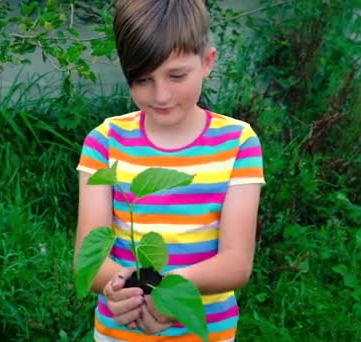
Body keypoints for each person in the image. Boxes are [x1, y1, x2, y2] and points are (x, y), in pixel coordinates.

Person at [74, 0, 265, 340]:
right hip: (122, 331)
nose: (161, 95)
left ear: (207, 62)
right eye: (142, 79)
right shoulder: (104, 142)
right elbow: (89, 261)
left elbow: (237, 262)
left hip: (206, 332)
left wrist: (172, 293)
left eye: (177, 75)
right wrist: (117, 288)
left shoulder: (238, 143)